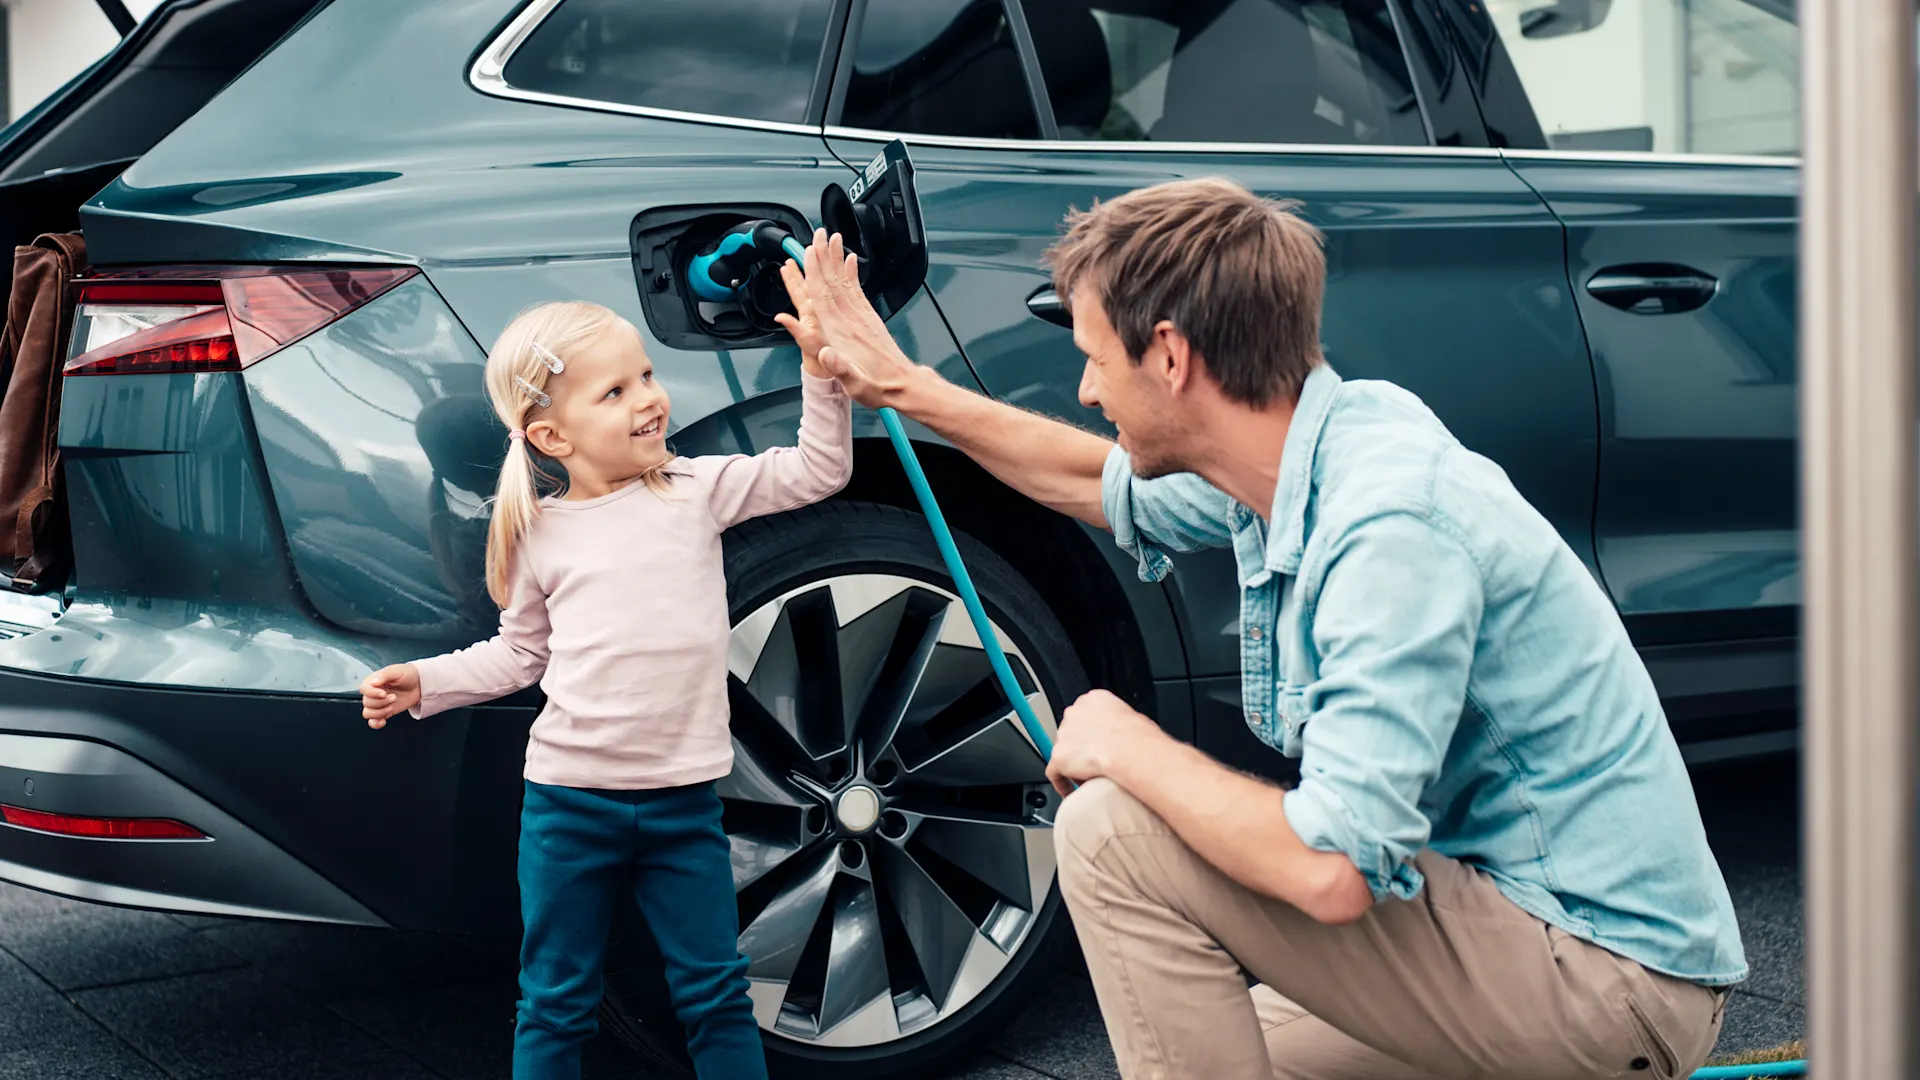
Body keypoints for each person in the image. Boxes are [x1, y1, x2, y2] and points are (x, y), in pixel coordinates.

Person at [786, 177, 1746, 1080]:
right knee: (1241, 1048)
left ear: (1170, 356)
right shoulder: (1302, 449)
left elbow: (1330, 870)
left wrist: (1131, 746)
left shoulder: (1388, 532)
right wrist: (904, 388)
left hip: (1607, 981)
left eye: (1094, 360)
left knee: (1113, 829)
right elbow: (1094, 480)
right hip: (1502, 919)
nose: (1085, 391)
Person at [358, 296, 850, 1080]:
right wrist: (427, 682)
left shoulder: (695, 490)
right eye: (614, 391)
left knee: (717, 992)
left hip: (683, 802)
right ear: (553, 436)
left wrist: (823, 378)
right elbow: (518, 655)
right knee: (555, 1000)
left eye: (646, 376)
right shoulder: (539, 534)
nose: (650, 398)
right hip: (567, 805)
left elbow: (820, 470)